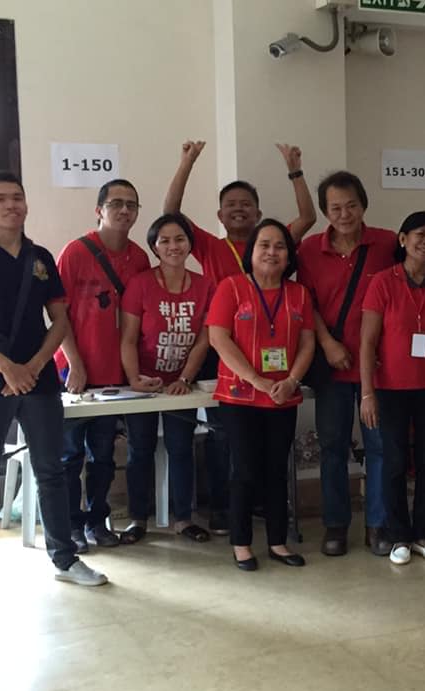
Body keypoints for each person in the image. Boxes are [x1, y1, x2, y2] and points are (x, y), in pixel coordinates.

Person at [0, 171, 107, 605]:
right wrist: (7, 367)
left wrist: (35, 366)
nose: (11, 205)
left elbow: (59, 320)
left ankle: (65, 559)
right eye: (0, 199)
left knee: (53, 470)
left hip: (37, 379)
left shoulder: (40, 257)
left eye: (18, 197)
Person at [164, 140, 316, 536]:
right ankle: (223, 509)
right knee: (222, 436)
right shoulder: (213, 247)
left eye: (246, 203)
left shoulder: (272, 243)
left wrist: (295, 169)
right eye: (230, 204)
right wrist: (186, 164)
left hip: (275, 352)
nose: (238, 209)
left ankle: (265, 506)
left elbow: (307, 216)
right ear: (219, 213)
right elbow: (170, 215)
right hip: (225, 349)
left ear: (259, 212)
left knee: (269, 439)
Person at [297, 172, 398, 557]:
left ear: (364, 204)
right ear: (325, 211)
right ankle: (335, 525)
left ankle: (378, 524)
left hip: (379, 367)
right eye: (336, 207)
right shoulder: (308, 250)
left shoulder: (388, 243)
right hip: (333, 366)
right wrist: (327, 343)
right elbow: (307, 304)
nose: (345, 214)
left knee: (380, 447)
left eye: (351, 205)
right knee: (333, 447)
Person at [207, 218, 314, 571]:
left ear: (289, 255)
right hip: (240, 397)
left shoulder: (298, 293)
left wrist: (292, 380)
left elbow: (308, 341)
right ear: (251, 251)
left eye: (280, 246)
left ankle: (278, 542)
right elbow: (218, 338)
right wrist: (257, 380)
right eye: (264, 245)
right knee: (245, 470)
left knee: (275, 470)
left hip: (283, 396)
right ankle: (241, 544)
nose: (272, 252)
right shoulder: (231, 288)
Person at [360, 211, 425, 566]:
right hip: (390, 389)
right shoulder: (382, 283)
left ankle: (421, 534)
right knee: (393, 462)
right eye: (420, 234)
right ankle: (397, 536)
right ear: (402, 239)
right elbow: (367, 343)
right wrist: (368, 393)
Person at [56, 179, 150, 551]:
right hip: (75, 372)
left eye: (131, 204)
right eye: (116, 203)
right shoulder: (75, 252)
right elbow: (57, 313)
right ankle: (71, 527)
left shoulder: (140, 258)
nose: (124, 210)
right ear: (99, 210)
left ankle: (98, 521)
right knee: (69, 457)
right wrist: (75, 363)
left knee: (103, 457)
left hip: (116, 376)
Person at [118, 214, 214, 544]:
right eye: (164, 241)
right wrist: (133, 379)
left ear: (189, 244)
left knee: (181, 448)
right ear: (154, 247)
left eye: (180, 239)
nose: (173, 246)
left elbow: (204, 339)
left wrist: (186, 378)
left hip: (180, 386)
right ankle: (137, 519)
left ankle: (184, 519)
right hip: (142, 384)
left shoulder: (205, 286)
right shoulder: (140, 284)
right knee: (140, 449)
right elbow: (128, 338)